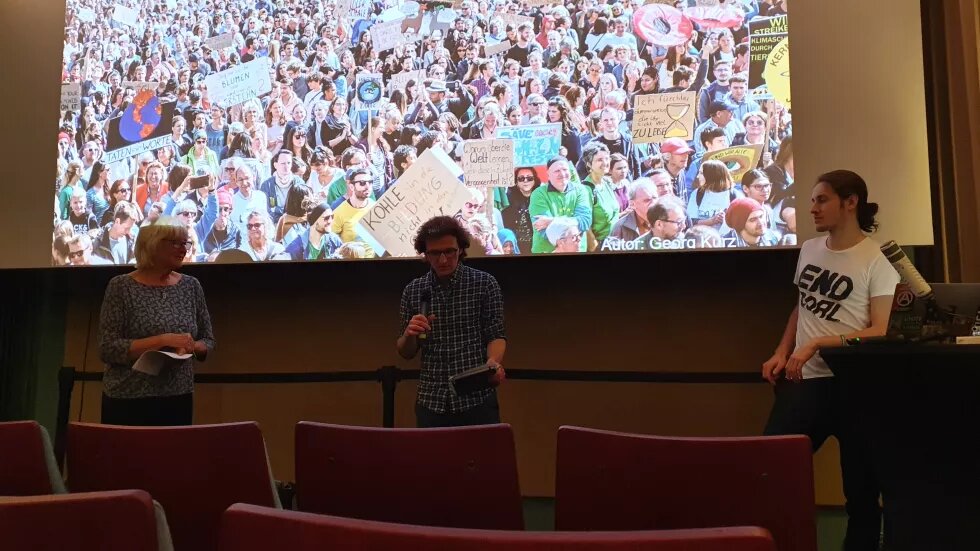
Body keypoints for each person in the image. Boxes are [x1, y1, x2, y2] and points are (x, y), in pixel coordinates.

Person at [762, 170, 900, 551]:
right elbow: (800, 308)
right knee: (768, 470)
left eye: (822, 200)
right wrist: (782, 350)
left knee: (860, 491)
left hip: (856, 385)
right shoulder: (809, 249)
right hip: (805, 381)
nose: (812, 208)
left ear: (850, 201)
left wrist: (821, 342)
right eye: (812, 201)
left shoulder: (877, 258)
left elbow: (882, 328)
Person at [97, 217, 215, 426]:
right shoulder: (121, 286)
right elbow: (107, 348)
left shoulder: (191, 286)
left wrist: (192, 346)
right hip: (127, 399)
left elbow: (208, 341)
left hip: (177, 398)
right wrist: (162, 340)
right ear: (153, 245)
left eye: (185, 243)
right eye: (176, 243)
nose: (184, 249)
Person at [397, 216, 506, 428]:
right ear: (425, 255)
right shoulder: (413, 290)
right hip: (431, 401)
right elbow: (405, 352)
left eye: (449, 251)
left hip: (476, 399)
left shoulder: (484, 284)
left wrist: (493, 363)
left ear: (461, 249)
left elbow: (496, 334)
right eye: (435, 253)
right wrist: (410, 334)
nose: (443, 260)